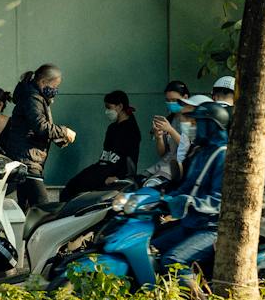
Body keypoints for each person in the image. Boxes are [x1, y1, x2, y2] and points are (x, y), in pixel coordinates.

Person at [150, 99, 230, 278]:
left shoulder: (223, 155)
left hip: (211, 228)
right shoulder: (201, 152)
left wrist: (191, 202)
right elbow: (188, 186)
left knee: (173, 260)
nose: (191, 126)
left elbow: (220, 200)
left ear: (210, 126)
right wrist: (163, 199)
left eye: (196, 123)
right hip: (191, 223)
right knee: (152, 249)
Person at [0, 63, 74, 210]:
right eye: (54, 85)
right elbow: (40, 126)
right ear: (43, 82)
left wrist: (57, 138)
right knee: (43, 209)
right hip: (27, 160)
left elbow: (33, 128)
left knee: (26, 208)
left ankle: (24, 233)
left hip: (26, 158)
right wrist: (64, 131)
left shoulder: (33, 96)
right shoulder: (32, 98)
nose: (55, 90)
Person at [61, 90, 142, 201]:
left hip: (115, 173)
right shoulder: (112, 128)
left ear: (120, 106)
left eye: (109, 107)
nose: (107, 111)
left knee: (78, 187)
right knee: (72, 186)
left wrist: (119, 177)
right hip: (103, 167)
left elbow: (131, 157)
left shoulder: (130, 129)